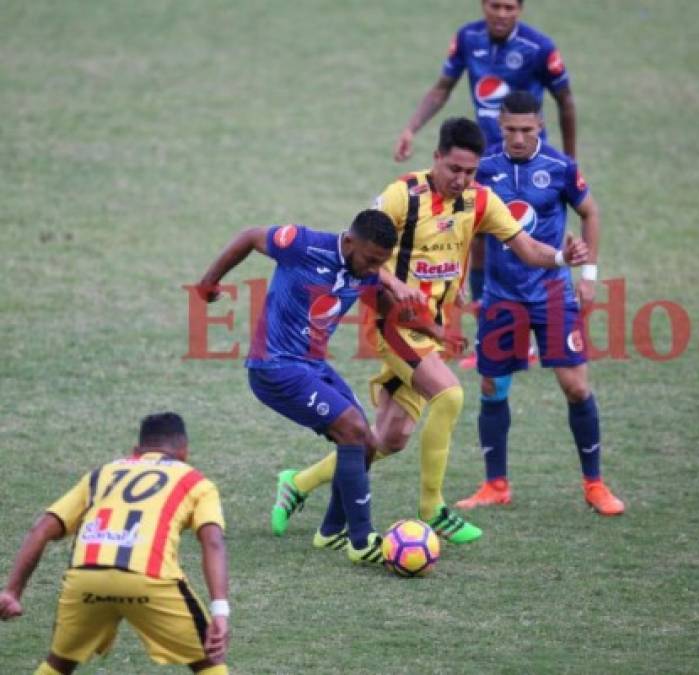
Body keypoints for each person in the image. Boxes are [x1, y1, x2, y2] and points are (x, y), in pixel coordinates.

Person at [274, 116, 590, 544]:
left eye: (470, 172)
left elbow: (528, 249)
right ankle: (433, 508)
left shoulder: (480, 201)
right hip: (391, 323)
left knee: (389, 438)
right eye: (453, 169)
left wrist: (561, 258)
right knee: (450, 395)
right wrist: (393, 281)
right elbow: (356, 244)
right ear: (436, 158)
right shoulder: (401, 195)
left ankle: (298, 482)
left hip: (433, 329)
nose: (461, 179)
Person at [452, 91, 623, 516]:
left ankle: (595, 484)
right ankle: (495, 484)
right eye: (510, 130)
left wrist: (588, 276)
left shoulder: (560, 168)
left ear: (541, 127)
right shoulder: (484, 169)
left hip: (551, 293)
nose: (519, 138)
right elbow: (466, 231)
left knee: (576, 386)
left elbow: (591, 213)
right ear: (500, 127)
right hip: (500, 296)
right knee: (492, 387)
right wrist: (463, 285)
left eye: (527, 130)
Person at [197, 210, 397, 564]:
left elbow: (383, 302)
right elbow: (249, 235)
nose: (372, 269)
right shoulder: (302, 245)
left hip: (312, 365)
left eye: (380, 263)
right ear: (350, 242)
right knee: (351, 429)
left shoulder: (364, 269)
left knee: (366, 442)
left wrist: (432, 330)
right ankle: (363, 541)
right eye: (370, 260)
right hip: (274, 367)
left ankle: (332, 531)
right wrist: (210, 281)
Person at [393, 0, 578, 344]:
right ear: (483, 5)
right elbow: (441, 88)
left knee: (521, 239)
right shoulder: (468, 38)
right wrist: (411, 128)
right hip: (484, 159)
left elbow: (565, 100)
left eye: (510, 7)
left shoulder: (539, 48)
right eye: (495, 5)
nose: (501, 14)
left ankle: (533, 326)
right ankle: (488, 328)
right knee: (476, 235)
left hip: (527, 163)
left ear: (521, 9)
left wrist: (570, 160)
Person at [0, 413, 230, 675]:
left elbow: (41, 529)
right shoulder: (196, 482)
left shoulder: (101, 475)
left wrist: (12, 592)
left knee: (59, 663)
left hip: (86, 578)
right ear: (184, 452)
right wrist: (220, 610)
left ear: (136, 451)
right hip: (149, 579)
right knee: (208, 662)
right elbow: (212, 542)